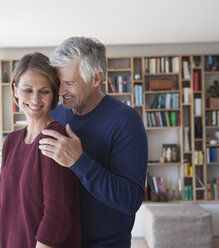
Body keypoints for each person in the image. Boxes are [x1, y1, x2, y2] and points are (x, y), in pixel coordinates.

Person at [39, 37, 148, 248]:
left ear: (95, 79)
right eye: (58, 82)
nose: (60, 92)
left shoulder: (126, 121)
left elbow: (130, 200)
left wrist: (79, 161)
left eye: (69, 83)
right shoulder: (54, 114)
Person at [0, 52, 81, 248]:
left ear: (54, 93)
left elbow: (58, 216)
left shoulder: (54, 137)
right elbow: (0, 203)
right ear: (15, 90)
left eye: (44, 91)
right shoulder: (11, 141)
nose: (35, 99)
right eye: (28, 90)